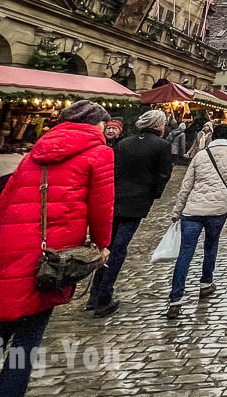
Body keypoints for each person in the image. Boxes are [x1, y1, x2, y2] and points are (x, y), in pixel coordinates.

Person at [0, 101, 114, 397]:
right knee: (29, 335)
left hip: (11, 251)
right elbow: (101, 208)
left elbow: (1, 208)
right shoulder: (99, 153)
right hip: (52, 257)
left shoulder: (37, 151)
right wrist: (103, 245)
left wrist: (15, 237)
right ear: (95, 125)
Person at [88, 109, 173, 317]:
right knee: (118, 249)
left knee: (107, 246)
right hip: (136, 204)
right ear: (159, 125)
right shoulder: (162, 145)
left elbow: (114, 169)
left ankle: (93, 295)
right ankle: (103, 298)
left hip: (115, 199)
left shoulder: (124, 143)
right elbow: (163, 175)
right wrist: (154, 195)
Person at [167, 122, 227, 318]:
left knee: (185, 252)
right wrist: (226, 193)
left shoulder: (201, 155)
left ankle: (175, 300)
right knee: (211, 246)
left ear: (212, 136)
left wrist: (177, 211)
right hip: (217, 209)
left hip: (192, 209)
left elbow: (186, 186)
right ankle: (206, 283)